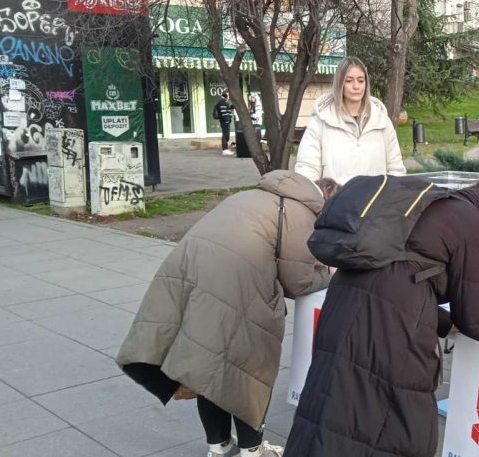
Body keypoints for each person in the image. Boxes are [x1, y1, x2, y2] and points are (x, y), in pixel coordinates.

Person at [284, 179, 479, 457]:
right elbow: (474, 321)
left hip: (344, 303)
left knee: (332, 402)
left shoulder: (439, 205)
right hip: (389, 330)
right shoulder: (477, 225)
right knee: (395, 420)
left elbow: (402, 273)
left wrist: (444, 322)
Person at [116, 171, 339, 457]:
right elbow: (300, 281)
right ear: (326, 202)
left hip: (192, 276)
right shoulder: (301, 214)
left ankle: (219, 447)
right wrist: (332, 273)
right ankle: (252, 451)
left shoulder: (253, 195)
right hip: (236, 286)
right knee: (248, 370)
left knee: (210, 366)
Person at [294, 56, 405, 185]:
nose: (356, 86)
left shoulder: (382, 122)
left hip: (375, 203)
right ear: (340, 83)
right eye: (349, 80)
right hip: (335, 203)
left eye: (361, 80)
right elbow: (307, 170)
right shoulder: (321, 122)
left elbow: (396, 170)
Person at [212, 91, 235, 156]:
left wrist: (231, 107)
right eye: (228, 95)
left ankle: (225, 149)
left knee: (226, 135)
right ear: (225, 95)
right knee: (225, 135)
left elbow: (226, 109)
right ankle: (225, 150)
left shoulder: (224, 102)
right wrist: (227, 120)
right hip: (225, 121)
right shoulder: (222, 102)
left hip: (225, 121)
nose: (229, 96)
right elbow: (223, 112)